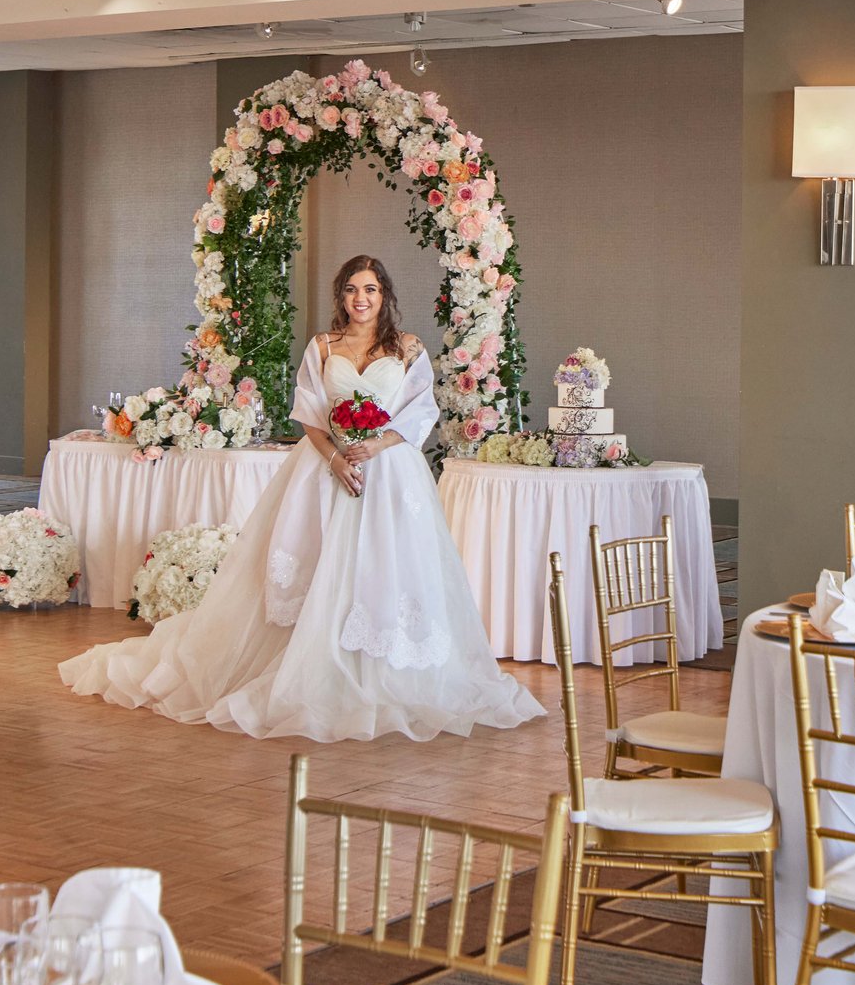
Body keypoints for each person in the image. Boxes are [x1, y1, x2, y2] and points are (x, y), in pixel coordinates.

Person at [61, 254, 542, 743]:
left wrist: (375, 446)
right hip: (324, 468)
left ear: (385, 295)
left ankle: (383, 667)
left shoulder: (406, 347)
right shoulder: (322, 345)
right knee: (317, 560)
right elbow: (310, 413)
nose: (361, 298)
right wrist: (336, 459)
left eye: (371, 289)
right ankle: (309, 661)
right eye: (353, 289)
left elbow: (420, 412)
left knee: (384, 564)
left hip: (391, 472)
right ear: (342, 295)